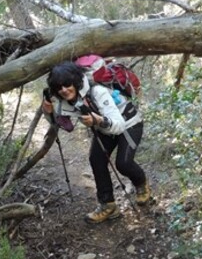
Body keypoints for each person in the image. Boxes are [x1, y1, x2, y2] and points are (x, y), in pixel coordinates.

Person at [41, 61, 152, 223]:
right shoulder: (66, 100)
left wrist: (98, 120)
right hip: (103, 127)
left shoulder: (98, 91)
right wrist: (48, 111)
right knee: (96, 160)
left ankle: (141, 184)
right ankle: (108, 205)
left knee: (123, 163)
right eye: (59, 87)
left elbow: (119, 125)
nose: (64, 90)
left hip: (129, 123)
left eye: (67, 84)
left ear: (75, 81)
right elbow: (65, 126)